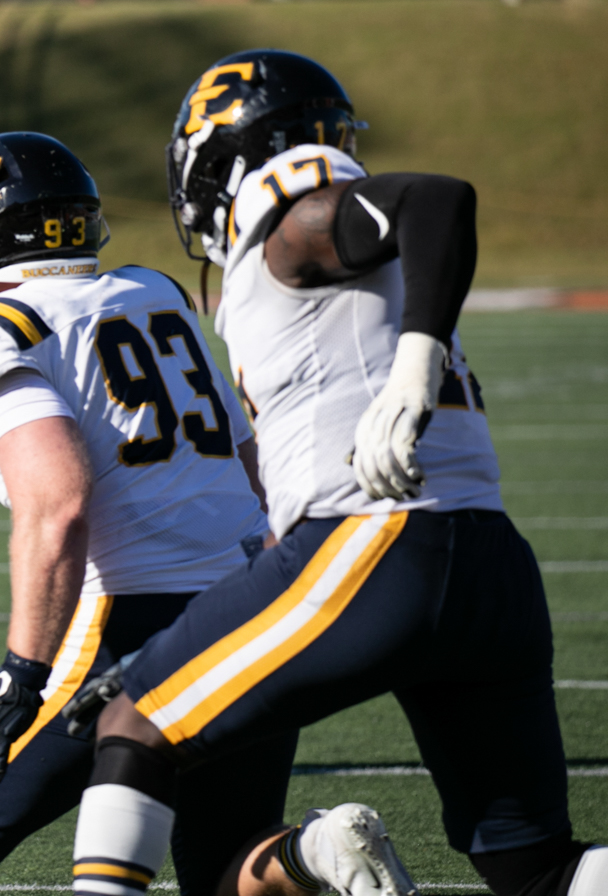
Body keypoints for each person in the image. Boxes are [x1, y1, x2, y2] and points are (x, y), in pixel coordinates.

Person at [68, 50, 601, 896]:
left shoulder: (290, 218)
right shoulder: (349, 262)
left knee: (135, 722)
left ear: (223, 156)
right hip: (490, 564)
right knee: (538, 870)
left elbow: (435, 197)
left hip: (379, 546)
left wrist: (415, 369)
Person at [0, 131, 363, 896]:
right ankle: (317, 852)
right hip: (246, 603)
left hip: (124, 621)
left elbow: (58, 502)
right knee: (227, 868)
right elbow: (256, 462)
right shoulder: (155, 293)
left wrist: (21, 672)